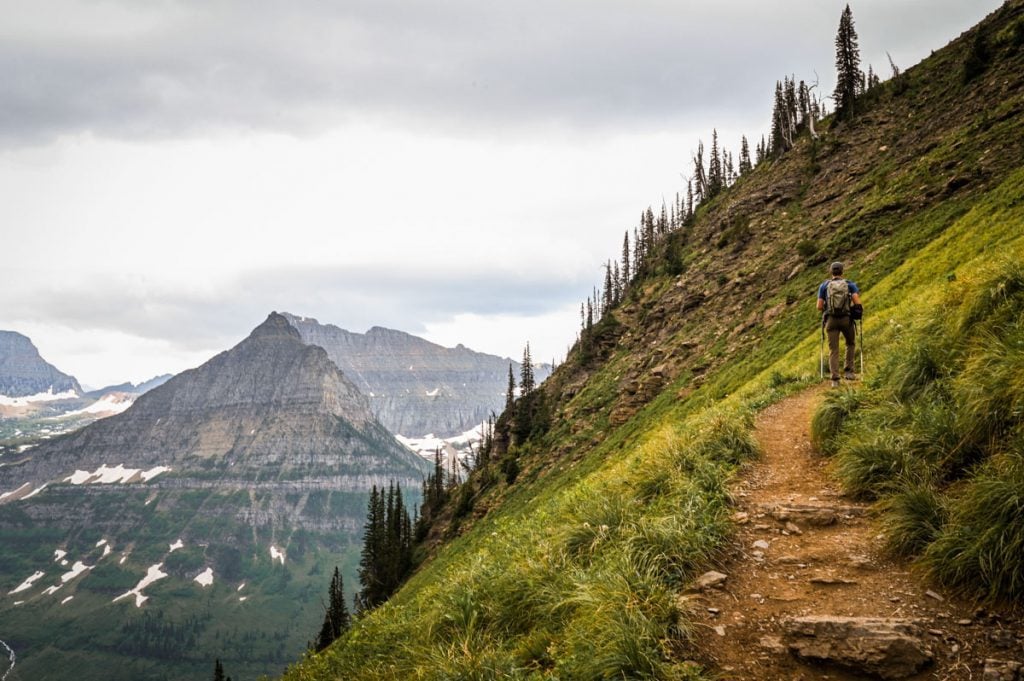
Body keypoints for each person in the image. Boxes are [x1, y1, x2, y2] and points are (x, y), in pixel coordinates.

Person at [817, 261, 862, 387]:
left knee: (834, 350)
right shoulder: (849, 284)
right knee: (850, 343)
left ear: (831, 272)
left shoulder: (824, 286)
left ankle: (835, 380)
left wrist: (828, 307)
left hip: (831, 320)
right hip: (846, 319)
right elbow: (857, 302)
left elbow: (819, 306)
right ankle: (849, 372)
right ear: (842, 271)